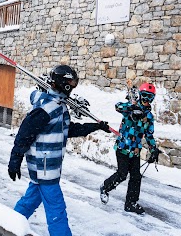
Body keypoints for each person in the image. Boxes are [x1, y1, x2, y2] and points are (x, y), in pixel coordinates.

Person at [8, 65, 111, 236]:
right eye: (71, 82)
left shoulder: (58, 106)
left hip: (47, 166)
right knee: (57, 209)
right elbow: (25, 134)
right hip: (45, 167)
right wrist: (15, 160)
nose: (73, 86)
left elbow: (67, 129)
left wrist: (95, 126)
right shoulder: (47, 108)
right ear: (63, 83)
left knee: (30, 201)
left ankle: (7, 224)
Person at [99, 82, 160, 215]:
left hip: (136, 150)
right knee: (122, 174)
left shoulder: (149, 117)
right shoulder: (130, 107)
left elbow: (149, 135)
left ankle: (131, 203)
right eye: (144, 96)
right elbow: (117, 106)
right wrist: (132, 108)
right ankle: (105, 187)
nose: (146, 100)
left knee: (136, 177)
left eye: (149, 97)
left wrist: (153, 149)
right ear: (140, 95)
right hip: (122, 147)